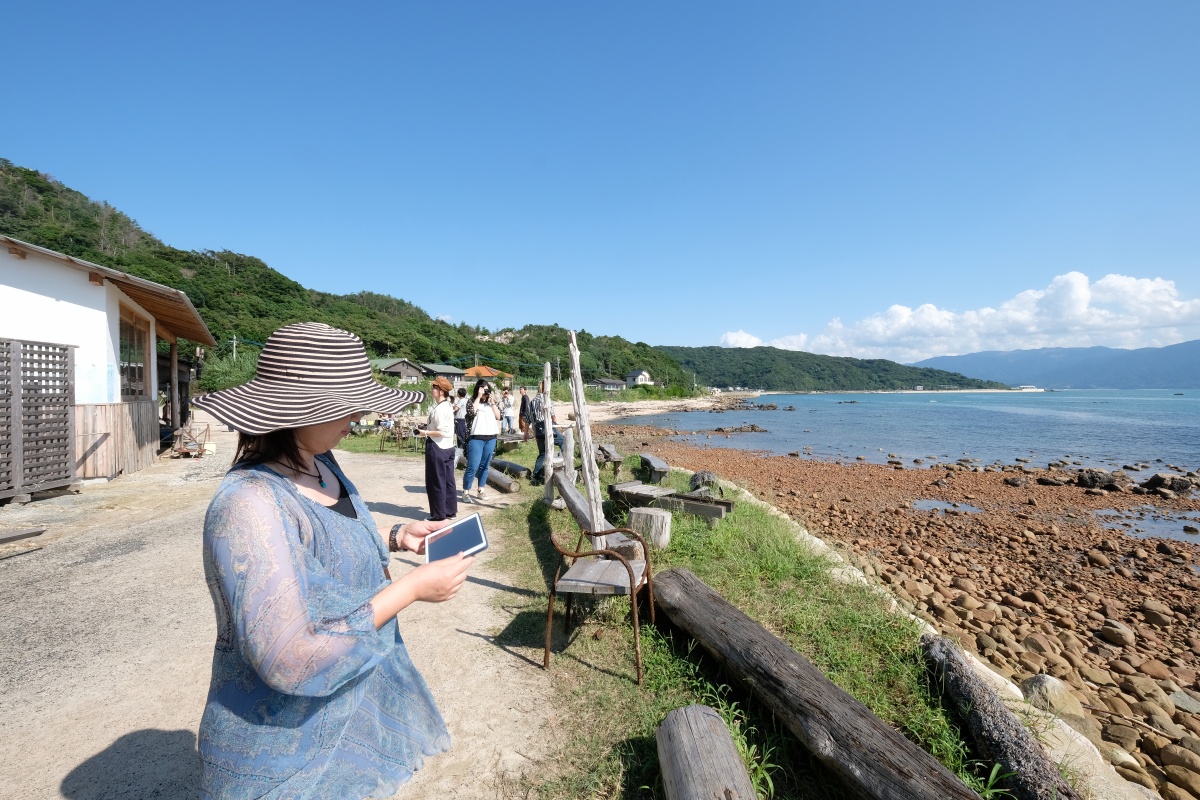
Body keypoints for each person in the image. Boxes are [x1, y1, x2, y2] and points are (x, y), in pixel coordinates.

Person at [191, 322, 474, 799]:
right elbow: (290, 658)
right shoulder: (249, 503)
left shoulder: (321, 461)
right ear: (298, 410)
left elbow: (318, 553)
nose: (360, 414)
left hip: (348, 724)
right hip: (280, 755)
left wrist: (395, 535)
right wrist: (409, 590)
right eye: (346, 405)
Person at [418, 376, 458, 521]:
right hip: (448, 447)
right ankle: (450, 510)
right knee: (448, 480)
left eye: (434, 388)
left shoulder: (440, 409)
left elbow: (441, 431)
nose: (432, 390)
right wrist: (427, 427)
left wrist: (425, 432)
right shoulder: (447, 406)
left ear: (441, 391)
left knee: (436, 481)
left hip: (437, 447)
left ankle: (438, 514)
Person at [462, 380, 501, 502]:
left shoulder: (491, 403)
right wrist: (478, 397)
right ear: (478, 389)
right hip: (476, 438)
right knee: (473, 466)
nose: (486, 392)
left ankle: (481, 490)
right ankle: (466, 492)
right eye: (483, 389)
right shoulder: (472, 401)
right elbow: (471, 412)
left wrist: (493, 402)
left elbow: (499, 416)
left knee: (485, 466)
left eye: (487, 389)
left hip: (491, 438)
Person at [530, 380, 565, 484]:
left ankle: (535, 475)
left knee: (542, 453)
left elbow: (530, 418)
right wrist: (555, 426)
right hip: (547, 427)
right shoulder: (547, 400)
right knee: (563, 442)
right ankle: (566, 465)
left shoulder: (532, 402)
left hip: (537, 429)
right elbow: (552, 415)